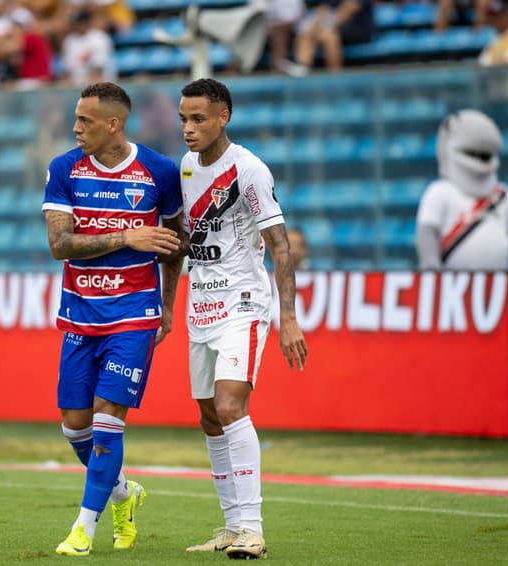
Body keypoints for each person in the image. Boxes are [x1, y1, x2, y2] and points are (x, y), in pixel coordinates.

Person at [41, 82, 187, 556]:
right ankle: (124, 492)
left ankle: (83, 529)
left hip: (134, 311)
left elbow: (172, 243)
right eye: (75, 119)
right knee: (74, 424)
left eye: (84, 120)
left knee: (108, 419)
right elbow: (60, 245)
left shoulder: (160, 172)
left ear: (113, 124)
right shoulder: (64, 169)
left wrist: (166, 306)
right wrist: (129, 236)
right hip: (80, 311)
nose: (75, 127)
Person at [178, 78, 308, 559]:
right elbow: (188, 241)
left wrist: (287, 318)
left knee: (232, 407)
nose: (188, 130)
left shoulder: (249, 169)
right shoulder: (188, 168)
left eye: (198, 119)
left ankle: (253, 529)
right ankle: (231, 528)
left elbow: (280, 244)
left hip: (243, 303)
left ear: (223, 117)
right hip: (200, 306)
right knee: (210, 416)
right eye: (183, 120)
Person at [416, 109, 508, 271]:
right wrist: (431, 267)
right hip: (451, 284)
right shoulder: (439, 192)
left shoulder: (503, 195)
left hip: (499, 285)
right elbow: (427, 234)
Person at [293, 0, 375, 73]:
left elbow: (346, 12)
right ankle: (302, 68)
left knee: (329, 36)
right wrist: (315, 27)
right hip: (334, 28)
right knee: (307, 33)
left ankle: (335, 75)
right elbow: (323, 8)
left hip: (359, 30)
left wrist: (322, 28)